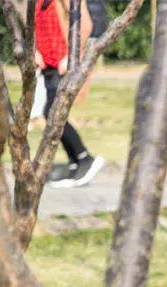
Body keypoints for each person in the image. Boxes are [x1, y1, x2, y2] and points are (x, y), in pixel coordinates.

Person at [34, 0, 105, 188]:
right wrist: (36, 51)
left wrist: (72, 55)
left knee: (53, 113)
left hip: (63, 66)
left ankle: (84, 158)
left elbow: (85, 24)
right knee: (52, 115)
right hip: (48, 66)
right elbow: (37, 26)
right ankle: (76, 162)